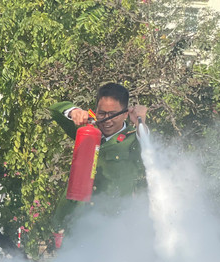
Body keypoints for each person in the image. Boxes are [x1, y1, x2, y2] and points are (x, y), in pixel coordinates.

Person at [49, 83, 148, 233]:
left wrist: (141, 123)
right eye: (102, 113)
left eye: (113, 114)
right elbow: (54, 110)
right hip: (72, 222)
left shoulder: (132, 140)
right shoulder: (87, 129)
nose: (107, 120)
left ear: (125, 114)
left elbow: (147, 144)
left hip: (108, 228)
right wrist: (73, 111)